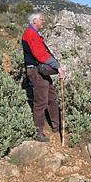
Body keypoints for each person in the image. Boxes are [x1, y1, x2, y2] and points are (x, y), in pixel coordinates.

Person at [22, 12, 65, 142]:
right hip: (36, 71)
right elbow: (41, 55)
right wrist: (57, 67)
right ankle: (38, 132)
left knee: (52, 97)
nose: (43, 21)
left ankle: (56, 126)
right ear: (34, 21)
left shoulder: (34, 33)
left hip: (41, 71)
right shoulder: (31, 34)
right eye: (41, 19)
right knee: (41, 102)